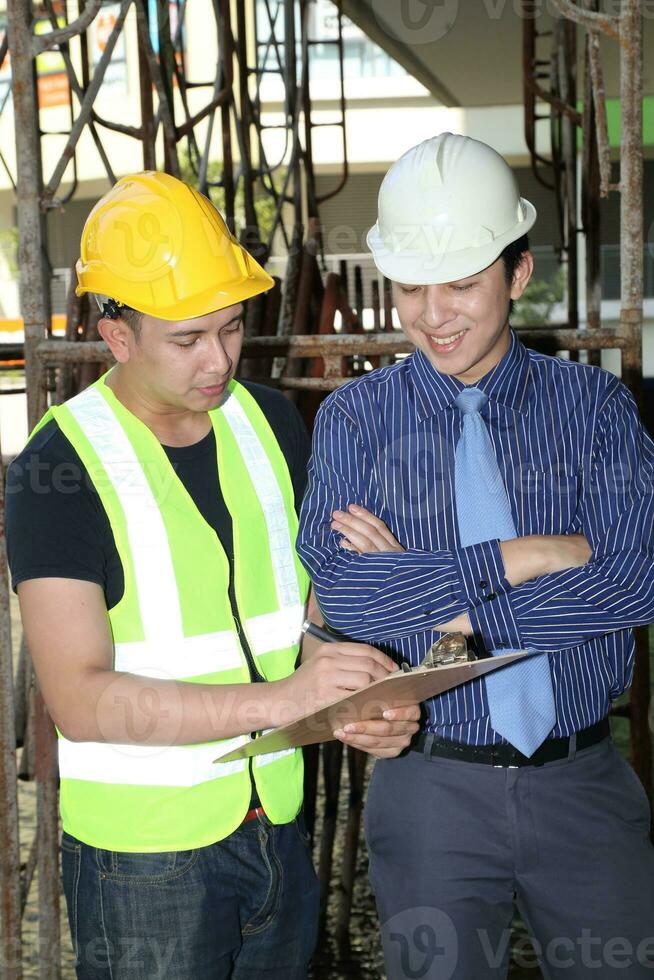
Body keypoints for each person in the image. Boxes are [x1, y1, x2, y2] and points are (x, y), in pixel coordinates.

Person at [6, 171, 420, 980]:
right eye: (188, 339)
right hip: (144, 861)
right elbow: (80, 701)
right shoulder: (59, 468)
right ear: (115, 335)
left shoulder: (266, 422)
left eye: (230, 328)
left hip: (275, 823)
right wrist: (286, 701)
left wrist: (350, 698)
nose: (219, 359)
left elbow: (301, 615)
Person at [297, 133, 654, 979]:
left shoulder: (596, 408)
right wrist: (522, 554)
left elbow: (632, 580)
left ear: (519, 273)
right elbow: (344, 596)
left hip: (583, 781)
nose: (433, 313)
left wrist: (439, 603)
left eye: (461, 282)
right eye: (412, 285)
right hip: (430, 790)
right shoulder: (358, 421)